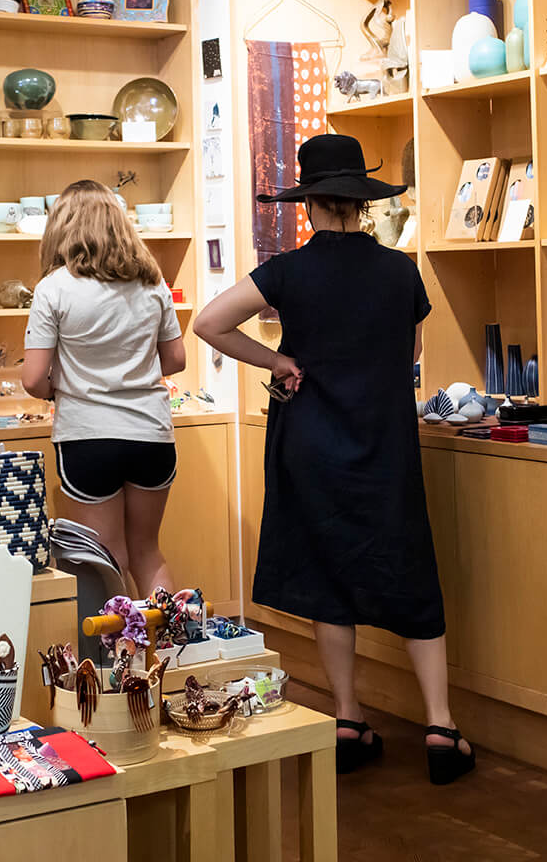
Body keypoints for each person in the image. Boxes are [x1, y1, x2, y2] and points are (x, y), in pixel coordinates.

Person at [194, 134, 474, 785]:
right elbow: (409, 357)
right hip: (385, 444)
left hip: (312, 443)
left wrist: (279, 361)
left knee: (327, 577)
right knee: (408, 570)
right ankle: (440, 725)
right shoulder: (401, 272)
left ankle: (347, 717)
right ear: (362, 202)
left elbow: (209, 322)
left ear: (310, 202)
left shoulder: (288, 271)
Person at [23, 180, 186, 596]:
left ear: (61, 227)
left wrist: (61, 386)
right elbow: (175, 360)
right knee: (148, 552)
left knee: (108, 560)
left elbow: (33, 379)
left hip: (88, 437)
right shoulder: (153, 284)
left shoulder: (53, 289)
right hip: (151, 433)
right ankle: (164, 652)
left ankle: (119, 661)